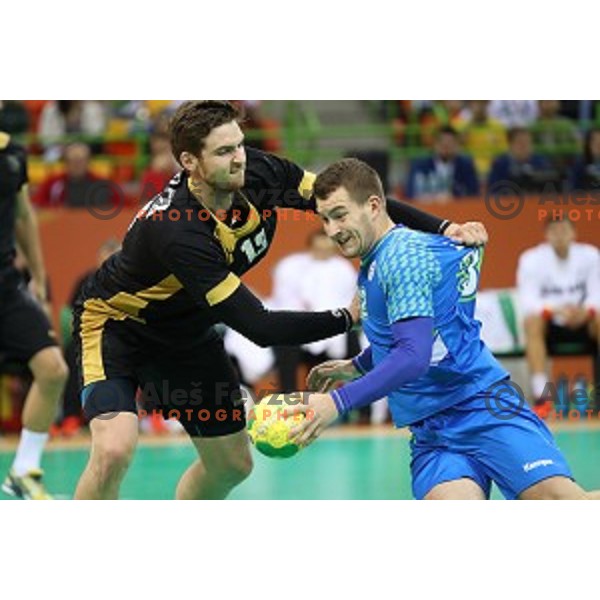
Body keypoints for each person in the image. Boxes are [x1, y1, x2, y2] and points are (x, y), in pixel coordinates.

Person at [72, 101, 488, 500]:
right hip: (118, 327)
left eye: (238, 144)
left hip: (187, 333)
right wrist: (345, 318)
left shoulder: (261, 172)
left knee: (232, 466)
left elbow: (356, 200)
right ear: (189, 163)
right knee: (113, 451)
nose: (239, 158)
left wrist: (446, 227)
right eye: (223, 151)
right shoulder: (177, 231)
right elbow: (260, 327)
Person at [286, 157, 600, 500]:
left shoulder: (402, 259)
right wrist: (356, 366)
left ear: (373, 206)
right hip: (432, 432)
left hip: (482, 406)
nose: (331, 230)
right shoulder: (375, 258)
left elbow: (413, 356)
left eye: (340, 215)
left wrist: (336, 402)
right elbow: (414, 333)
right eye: (325, 219)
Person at [0, 131, 69, 499]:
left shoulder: (12, 153)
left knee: (52, 369)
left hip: (6, 284)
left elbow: (24, 214)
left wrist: (39, 278)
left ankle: (24, 471)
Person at [517, 216, 600, 418]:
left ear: (573, 233)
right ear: (547, 235)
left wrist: (586, 311)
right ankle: (542, 396)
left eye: (564, 230)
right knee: (531, 322)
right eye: (555, 231)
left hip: (584, 322)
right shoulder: (531, 259)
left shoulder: (591, 256)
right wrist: (555, 311)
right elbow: (528, 301)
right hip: (550, 325)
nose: (560, 236)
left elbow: (597, 292)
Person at [404, 126, 479, 201]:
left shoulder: (466, 165)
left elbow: (473, 193)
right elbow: (410, 193)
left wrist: (454, 195)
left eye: (449, 142)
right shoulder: (419, 165)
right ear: (434, 144)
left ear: (456, 145)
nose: (445, 146)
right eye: (442, 142)